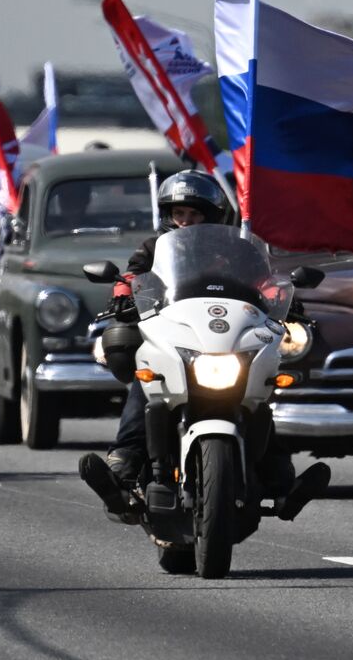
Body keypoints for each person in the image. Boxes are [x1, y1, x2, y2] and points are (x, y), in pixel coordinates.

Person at [81, 171, 328, 522]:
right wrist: (122, 294)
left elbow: (264, 278)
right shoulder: (154, 249)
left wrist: (285, 296)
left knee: (257, 397)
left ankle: (281, 481)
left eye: (194, 215)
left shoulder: (238, 249)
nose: (185, 221)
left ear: (211, 217)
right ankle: (123, 465)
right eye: (179, 214)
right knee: (148, 383)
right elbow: (133, 276)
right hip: (175, 333)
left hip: (224, 336)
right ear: (168, 214)